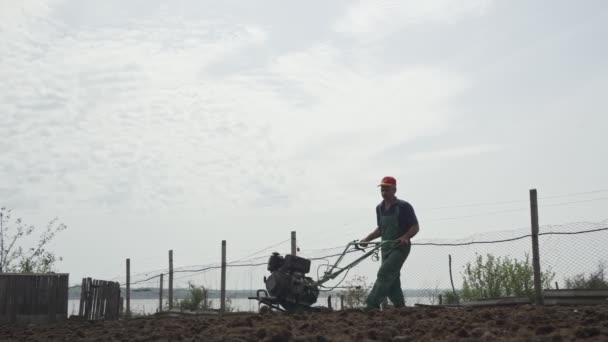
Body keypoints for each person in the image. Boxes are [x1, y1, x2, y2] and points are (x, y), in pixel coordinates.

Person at [359, 176, 419, 309]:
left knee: (385, 273)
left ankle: (371, 304)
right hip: (385, 247)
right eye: (382, 189)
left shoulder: (404, 206)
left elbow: (415, 227)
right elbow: (381, 229)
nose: (384, 192)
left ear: (394, 190)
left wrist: (405, 237)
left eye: (387, 189)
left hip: (400, 247)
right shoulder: (379, 208)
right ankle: (400, 306)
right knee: (393, 278)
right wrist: (366, 240)